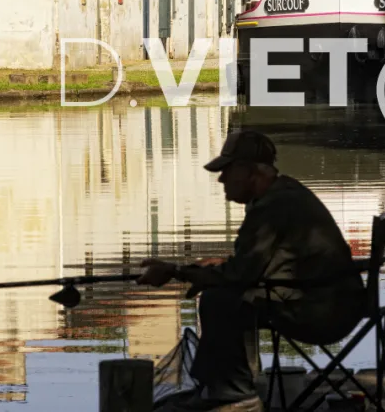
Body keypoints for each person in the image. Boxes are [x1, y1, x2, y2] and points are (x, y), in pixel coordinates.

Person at [138, 131, 367, 412]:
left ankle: (232, 394)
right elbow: (251, 266)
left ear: (251, 172)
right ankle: (230, 388)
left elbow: (241, 275)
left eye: (226, 170)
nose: (221, 179)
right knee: (224, 296)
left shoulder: (272, 207)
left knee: (219, 300)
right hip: (331, 302)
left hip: (323, 312)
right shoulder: (283, 194)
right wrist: (209, 271)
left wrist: (175, 271)